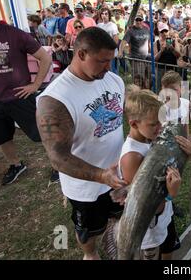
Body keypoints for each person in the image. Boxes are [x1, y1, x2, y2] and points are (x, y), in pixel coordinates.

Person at [36, 27, 128, 260]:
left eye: (111, 60)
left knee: (119, 217)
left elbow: (119, 117)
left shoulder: (113, 79)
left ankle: (116, 244)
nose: (108, 67)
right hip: (86, 187)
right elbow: (58, 157)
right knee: (88, 229)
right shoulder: (55, 100)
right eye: (102, 61)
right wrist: (101, 176)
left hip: (118, 175)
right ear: (81, 54)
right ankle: (90, 255)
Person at [113, 86, 191, 259]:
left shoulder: (150, 138)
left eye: (161, 121)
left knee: (168, 247)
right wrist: (171, 195)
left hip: (164, 218)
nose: (160, 127)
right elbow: (148, 205)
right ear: (134, 124)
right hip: (147, 231)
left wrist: (186, 154)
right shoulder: (132, 157)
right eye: (154, 124)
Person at [0, 0, 52, 185]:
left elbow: (45, 58)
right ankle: (16, 165)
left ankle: (58, 165)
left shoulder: (13, 33)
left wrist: (35, 85)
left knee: (42, 133)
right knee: (1, 137)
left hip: (19, 96)